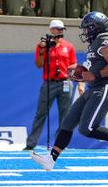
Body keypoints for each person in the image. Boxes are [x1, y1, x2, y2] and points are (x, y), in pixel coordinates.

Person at [31, 11, 108, 170]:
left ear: (95, 27)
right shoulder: (95, 43)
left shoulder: (104, 40)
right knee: (67, 122)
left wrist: (94, 74)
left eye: (87, 28)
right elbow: (93, 66)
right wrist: (80, 74)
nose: (85, 32)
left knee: (87, 129)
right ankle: (50, 159)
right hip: (93, 88)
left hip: (103, 88)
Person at [23, 19, 80, 151]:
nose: (60, 32)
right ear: (51, 30)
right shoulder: (43, 45)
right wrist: (43, 49)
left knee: (65, 114)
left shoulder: (69, 46)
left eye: (61, 29)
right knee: (41, 113)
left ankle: (60, 144)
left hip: (65, 82)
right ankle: (31, 143)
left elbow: (73, 65)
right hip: (49, 83)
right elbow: (38, 64)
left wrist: (78, 82)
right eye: (58, 29)